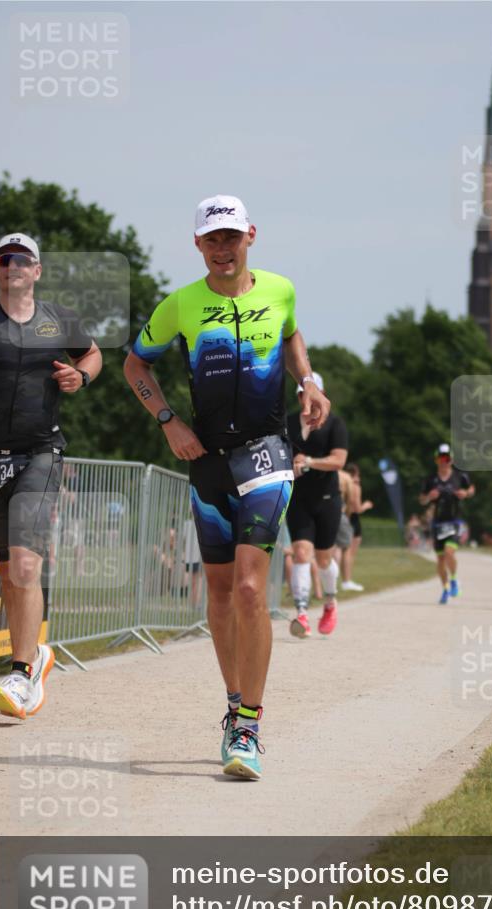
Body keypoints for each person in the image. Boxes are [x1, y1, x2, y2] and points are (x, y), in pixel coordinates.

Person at [123, 195, 329, 780]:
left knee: (246, 589)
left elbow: (291, 336)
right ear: (197, 245)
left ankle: (249, 725)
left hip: (266, 453)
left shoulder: (280, 289)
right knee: (216, 594)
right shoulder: (181, 304)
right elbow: (136, 365)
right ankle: (234, 705)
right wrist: (169, 423)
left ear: (251, 237)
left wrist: (309, 381)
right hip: (206, 457)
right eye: (211, 239)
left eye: (231, 237)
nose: (222, 248)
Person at [0, 232, 102, 719]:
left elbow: (91, 353)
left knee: (26, 564)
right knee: (9, 571)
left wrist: (82, 376)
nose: (14, 266)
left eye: (23, 260)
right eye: (5, 259)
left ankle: (21, 674)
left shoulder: (59, 320)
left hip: (40, 452)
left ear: (38, 270)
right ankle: (33, 659)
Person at [286, 372, 348, 636]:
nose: (306, 398)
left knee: (323, 559)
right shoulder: (287, 422)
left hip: (327, 499)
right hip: (298, 499)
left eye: (310, 392)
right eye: (301, 393)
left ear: (321, 394)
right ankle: (301, 613)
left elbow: (338, 461)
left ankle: (330, 603)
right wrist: (292, 465)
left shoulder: (334, 424)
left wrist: (308, 462)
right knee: (300, 553)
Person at [419, 443, 475, 604]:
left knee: (450, 552)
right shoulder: (431, 479)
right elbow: (421, 499)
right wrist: (429, 497)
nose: (444, 462)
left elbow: (471, 489)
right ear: (436, 460)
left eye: (447, 458)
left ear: (452, 459)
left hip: (454, 520)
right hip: (438, 523)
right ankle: (444, 588)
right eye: (441, 458)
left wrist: (466, 493)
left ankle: (455, 580)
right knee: (440, 559)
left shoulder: (460, 476)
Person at [341, 462, 373, 591]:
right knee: (349, 553)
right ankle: (347, 581)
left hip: (343, 518)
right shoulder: (355, 486)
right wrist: (367, 505)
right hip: (353, 519)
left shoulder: (341, 483)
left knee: (342, 551)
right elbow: (357, 508)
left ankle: (345, 580)